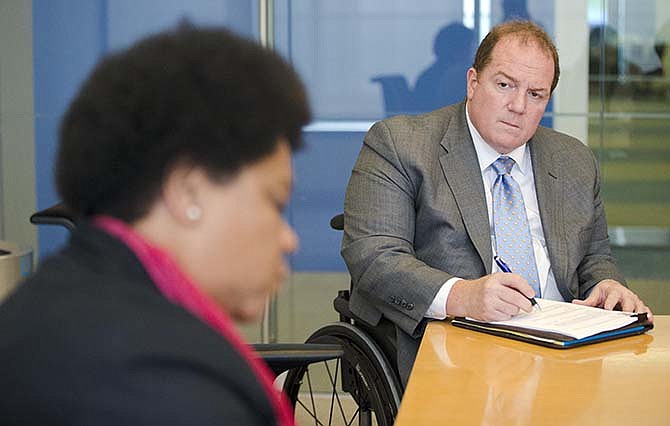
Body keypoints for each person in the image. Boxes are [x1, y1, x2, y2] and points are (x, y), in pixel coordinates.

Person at [0, 25, 310, 425]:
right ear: (188, 192)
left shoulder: (49, 304)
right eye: (275, 201)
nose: (290, 239)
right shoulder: (164, 386)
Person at [341, 20, 653, 386]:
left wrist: (609, 286)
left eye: (535, 95)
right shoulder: (400, 144)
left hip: (566, 349)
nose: (518, 106)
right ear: (473, 82)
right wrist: (462, 296)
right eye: (504, 85)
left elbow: (595, 256)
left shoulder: (574, 161)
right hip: (453, 345)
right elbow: (375, 257)